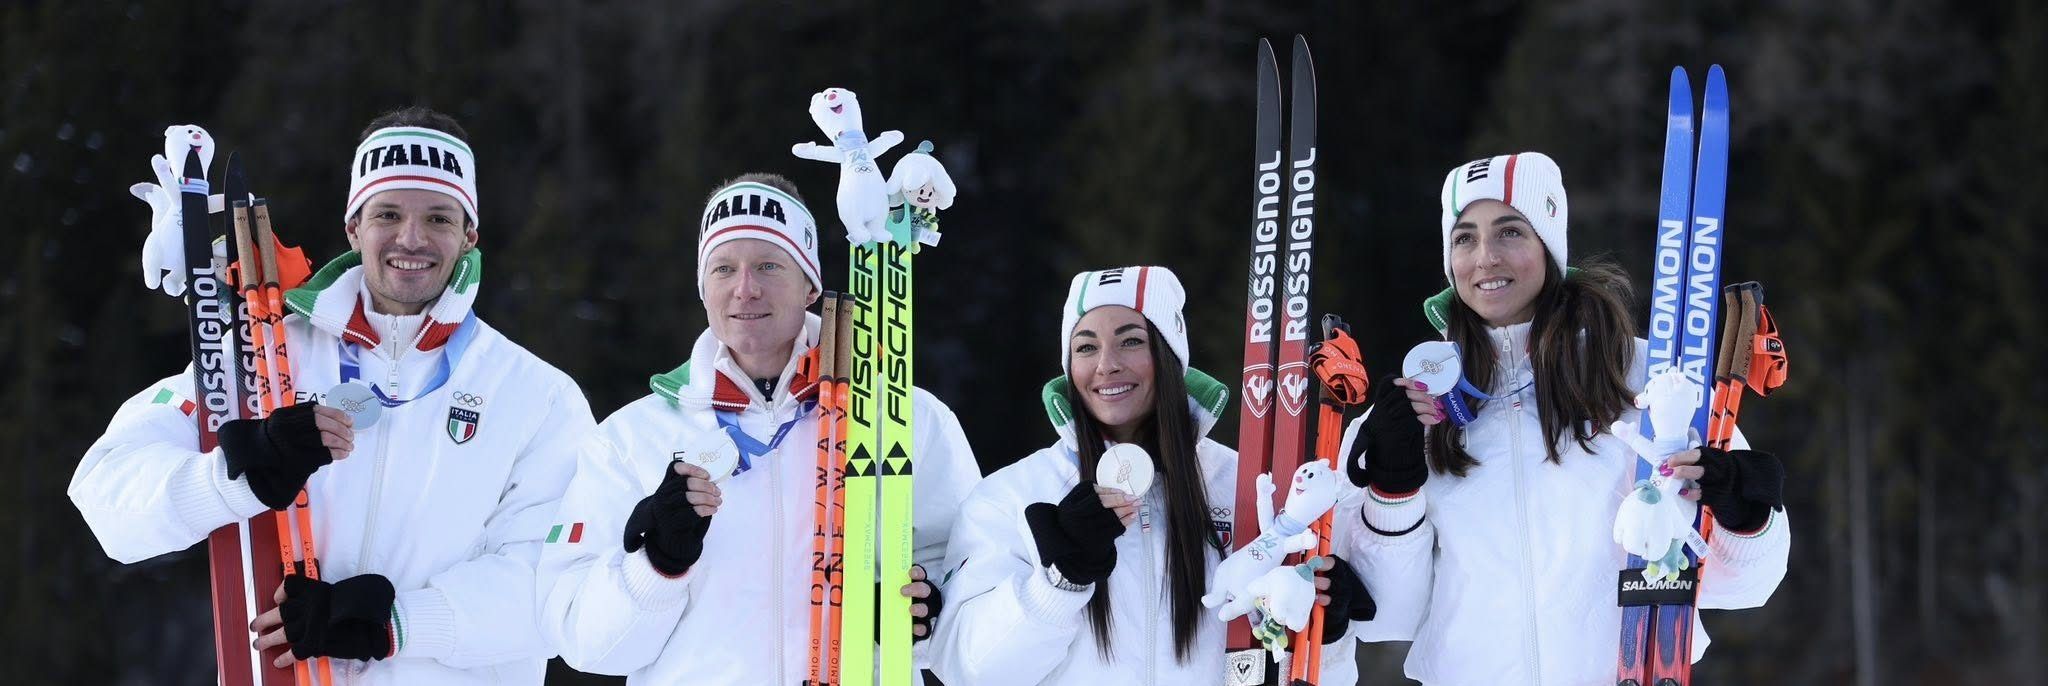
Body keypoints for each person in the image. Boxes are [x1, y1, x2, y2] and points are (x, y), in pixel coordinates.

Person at [69, 106, 596, 683]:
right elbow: (105, 497)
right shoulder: (265, 356)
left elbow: (557, 588)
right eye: (388, 213)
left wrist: (396, 623)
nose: (411, 239)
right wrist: (234, 480)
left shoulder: (537, 397)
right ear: (354, 226)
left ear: (469, 233)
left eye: (439, 219)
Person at [1340, 152, 1792, 684]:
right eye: (1464, 237)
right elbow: (1385, 615)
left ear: (1549, 244)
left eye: (1510, 231)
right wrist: (1392, 489)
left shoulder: (1648, 378)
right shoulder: (1415, 409)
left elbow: (1745, 586)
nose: (1484, 257)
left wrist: (1743, 514)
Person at [536, 174, 982, 683]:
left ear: (811, 285)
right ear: (703, 288)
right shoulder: (630, 440)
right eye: (724, 268)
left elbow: (973, 600)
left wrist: (926, 621)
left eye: (769, 266)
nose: (745, 289)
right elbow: (582, 644)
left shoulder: (905, 419)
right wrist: (657, 565)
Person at [930, 266, 1375, 684]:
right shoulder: (1011, 497)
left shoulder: (1250, 488)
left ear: (1168, 355)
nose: (1106, 364)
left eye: (1130, 341)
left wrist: (1327, 635)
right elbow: (965, 670)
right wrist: (1059, 583)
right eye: (1085, 347)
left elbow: (1315, 672)